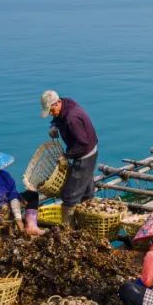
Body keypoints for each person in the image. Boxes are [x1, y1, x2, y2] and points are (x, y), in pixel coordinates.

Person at [40, 90, 98, 227]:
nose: (50, 113)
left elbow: (82, 143)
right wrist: (54, 125)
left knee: (70, 195)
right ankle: (87, 224)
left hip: (85, 155)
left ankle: (68, 229)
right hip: (89, 149)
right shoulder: (67, 103)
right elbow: (59, 116)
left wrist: (66, 156)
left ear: (58, 102)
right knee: (86, 192)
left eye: (51, 110)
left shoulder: (72, 119)